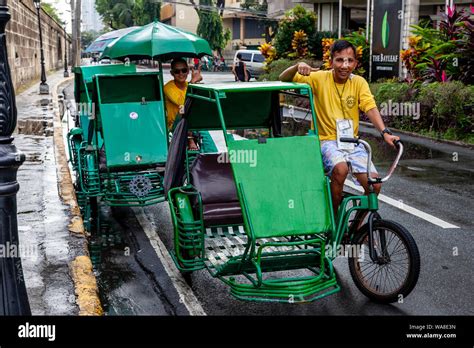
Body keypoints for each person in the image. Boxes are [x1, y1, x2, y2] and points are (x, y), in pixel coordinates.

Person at [279, 39, 399, 216]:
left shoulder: (359, 82)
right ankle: (333, 221)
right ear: (331, 62)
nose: (345, 65)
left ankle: (357, 229)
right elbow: (283, 78)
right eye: (340, 60)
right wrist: (298, 66)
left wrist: (385, 133)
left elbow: (370, 107)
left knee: (375, 185)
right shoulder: (319, 78)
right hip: (325, 141)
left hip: (351, 143)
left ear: (356, 63)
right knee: (340, 169)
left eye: (350, 60)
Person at [164, 58, 202, 149]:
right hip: (174, 126)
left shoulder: (188, 85)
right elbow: (182, 103)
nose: (181, 74)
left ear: (188, 71)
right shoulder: (168, 87)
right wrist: (192, 82)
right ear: (172, 73)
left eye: (184, 70)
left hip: (191, 122)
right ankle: (190, 139)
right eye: (177, 71)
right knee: (183, 108)